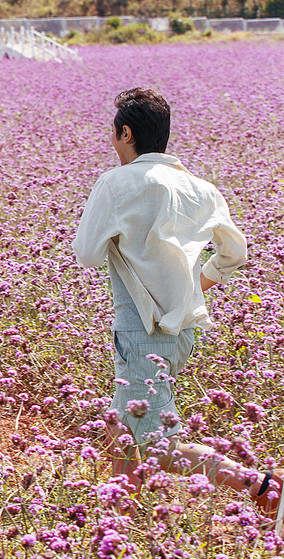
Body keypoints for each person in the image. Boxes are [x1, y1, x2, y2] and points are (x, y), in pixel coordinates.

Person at [72, 88, 283, 529]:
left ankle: (263, 486)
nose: (113, 141)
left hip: (140, 329)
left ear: (126, 132)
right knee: (124, 427)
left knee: (154, 445)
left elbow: (88, 254)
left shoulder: (118, 181)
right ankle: (117, 521)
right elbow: (235, 253)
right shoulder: (200, 187)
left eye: (114, 133)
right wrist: (197, 285)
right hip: (184, 328)